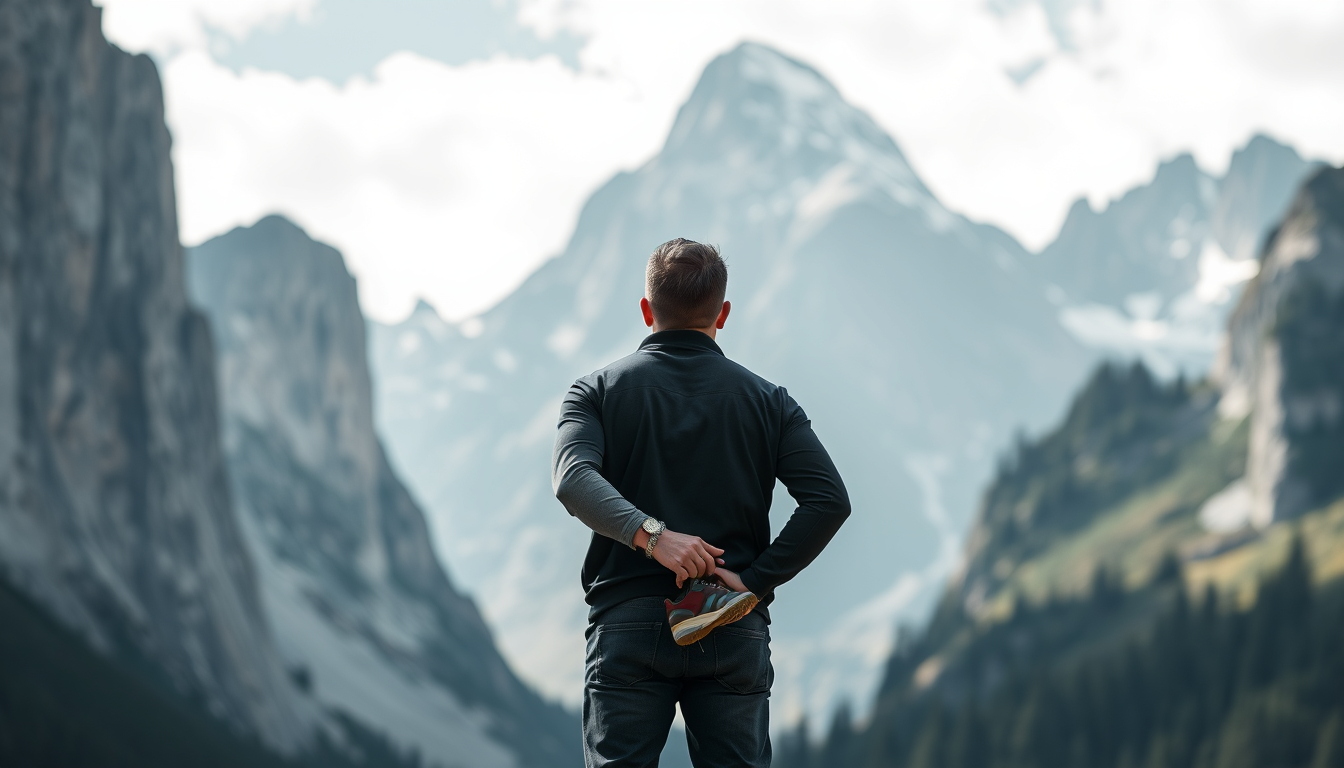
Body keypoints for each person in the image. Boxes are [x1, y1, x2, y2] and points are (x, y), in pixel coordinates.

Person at [552, 238, 851, 768]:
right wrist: (757, 579)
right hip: (729, 621)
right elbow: (828, 500)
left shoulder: (594, 391)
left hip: (627, 621)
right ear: (724, 314)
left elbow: (574, 479)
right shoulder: (770, 401)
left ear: (646, 310)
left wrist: (652, 536)